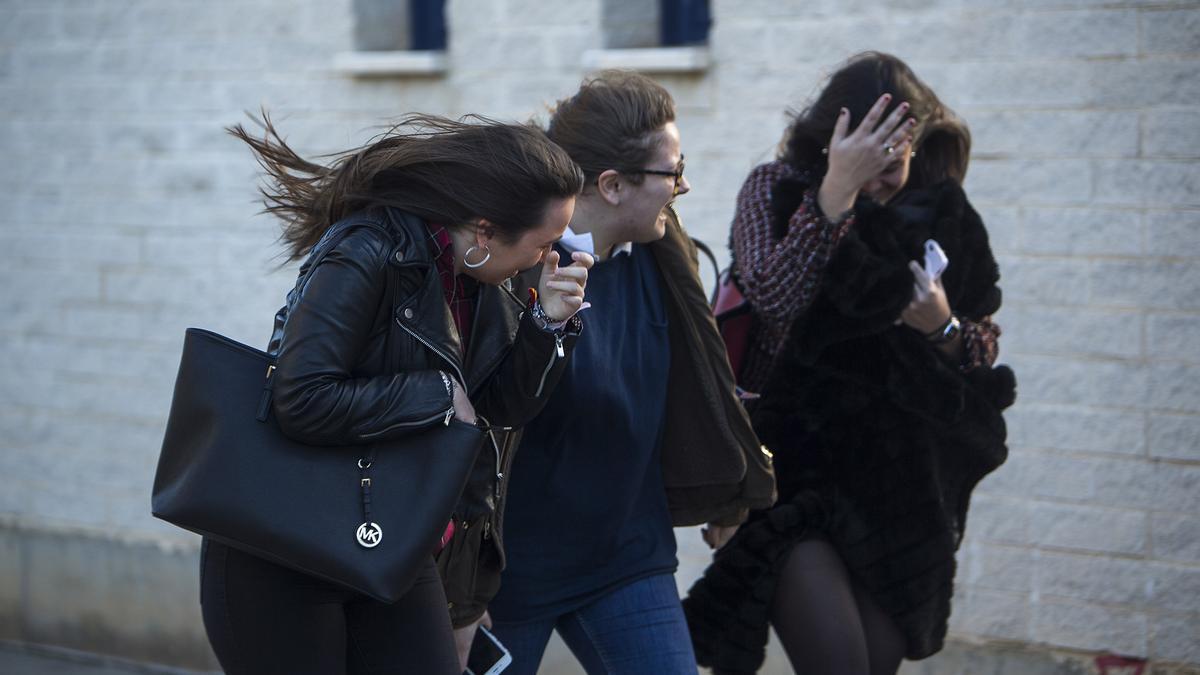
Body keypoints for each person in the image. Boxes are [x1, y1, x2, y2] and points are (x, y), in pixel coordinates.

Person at [199, 113, 594, 675]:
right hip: (284, 551)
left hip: (391, 537)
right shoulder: (368, 250)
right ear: (485, 230)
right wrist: (433, 392)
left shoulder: (480, 279)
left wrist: (547, 326)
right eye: (546, 242)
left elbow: (498, 408)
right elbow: (301, 397)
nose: (551, 256)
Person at [683, 52, 1017, 675]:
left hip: (895, 488)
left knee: (877, 662)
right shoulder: (774, 190)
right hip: (790, 476)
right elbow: (773, 297)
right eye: (870, 161)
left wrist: (940, 325)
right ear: (834, 140)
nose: (885, 180)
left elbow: (984, 345)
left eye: (897, 161)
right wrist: (835, 194)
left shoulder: (937, 210)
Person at [485, 70, 777, 675]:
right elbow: (476, 418)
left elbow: (703, 383)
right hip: (510, 574)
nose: (685, 185)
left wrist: (731, 485)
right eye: (672, 173)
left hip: (627, 558)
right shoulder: (518, 269)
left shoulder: (665, 256)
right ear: (613, 185)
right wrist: (460, 592)